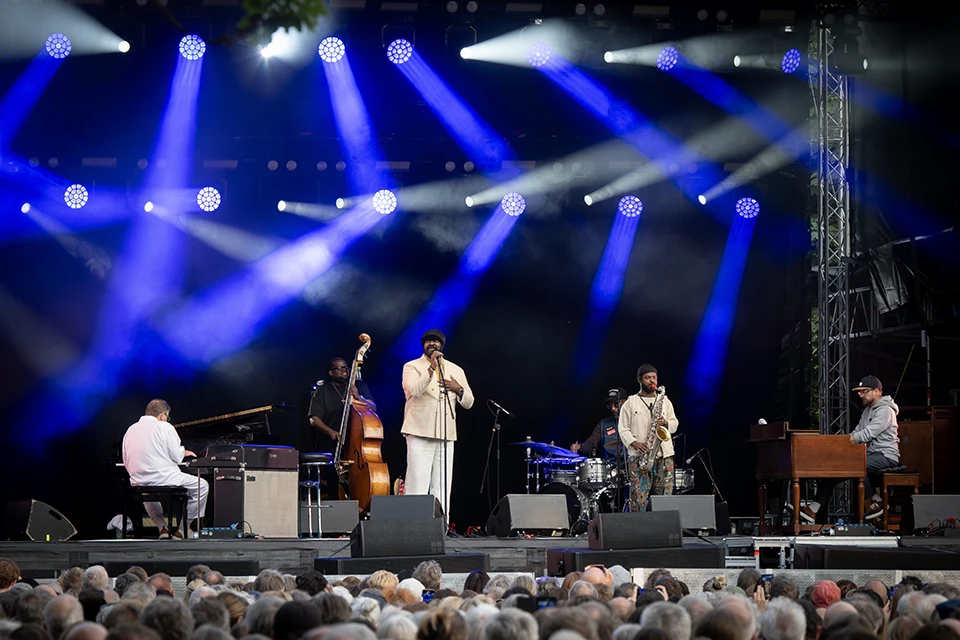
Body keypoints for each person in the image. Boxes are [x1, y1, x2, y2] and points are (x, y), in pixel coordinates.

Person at [801, 375, 900, 523]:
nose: (860, 395)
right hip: (869, 455)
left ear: (878, 391)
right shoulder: (867, 411)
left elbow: (867, 434)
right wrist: (840, 446)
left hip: (886, 456)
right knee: (837, 469)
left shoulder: (886, 410)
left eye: (865, 391)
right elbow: (856, 433)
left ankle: (877, 502)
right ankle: (813, 509)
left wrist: (842, 442)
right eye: (859, 392)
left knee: (854, 465)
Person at [401, 329, 474, 520]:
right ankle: (412, 525)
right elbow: (414, 391)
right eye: (428, 341)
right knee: (418, 480)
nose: (431, 344)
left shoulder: (456, 370)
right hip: (419, 431)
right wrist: (431, 369)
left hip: (446, 434)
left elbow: (469, 402)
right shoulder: (412, 366)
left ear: (442, 345)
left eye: (435, 341)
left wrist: (458, 389)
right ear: (423, 345)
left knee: (442, 482)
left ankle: (441, 526)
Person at [122, 399, 208, 539]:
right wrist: (183, 452)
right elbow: (176, 456)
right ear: (162, 415)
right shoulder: (165, 427)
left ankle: (162, 528)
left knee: (147, 492)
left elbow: (126, 460)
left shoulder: (130, 430)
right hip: (164, 478)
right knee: (202, 485)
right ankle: (182, 530)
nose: (167, 420)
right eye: (167, 417)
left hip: (138, 479)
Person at [618, 364, 679, 512]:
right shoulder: (631, 402)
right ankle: (639, 532)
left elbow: (674, 423)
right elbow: (623, 428)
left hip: (664, 457)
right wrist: (634, 443)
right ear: (640, 380)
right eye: (647, 378)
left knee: (665, 499)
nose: (652, 381)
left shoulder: (665, 401)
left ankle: (664, 531)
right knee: (639, 500)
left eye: (654, 377)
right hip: (640, 457)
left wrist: (665, 422)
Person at [307, 357, 376, 450]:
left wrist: (358, 396)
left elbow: (373, 408)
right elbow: (314, 419)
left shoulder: (359, 386)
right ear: (331, 373)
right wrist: (330, 431)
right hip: (331, 444)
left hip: (357, 443)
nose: (344, 370)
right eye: (339, 368)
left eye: (345, 367)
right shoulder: (322, 391)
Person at [571, 388, 628, 461]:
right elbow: (591, 444)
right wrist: (579, 447)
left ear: (625, 403)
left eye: (616, 405)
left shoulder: (635, 421)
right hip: (610, 467)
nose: (613, 409)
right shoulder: (603, 424)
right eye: (610, 406)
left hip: (631, 467)